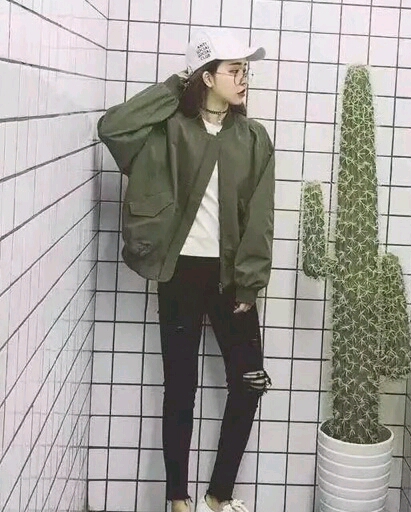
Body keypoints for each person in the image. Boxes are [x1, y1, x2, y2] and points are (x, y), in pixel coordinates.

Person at [97, 28, 275, 512]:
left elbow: (260, 217)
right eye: (234, 70)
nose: (244, 79)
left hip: (231, 277)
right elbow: (113, 128)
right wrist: (177, 84)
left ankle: (218, 496)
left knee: (248, 382)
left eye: (245, 70)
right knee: (180, 388)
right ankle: (179, 500)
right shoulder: (168, 130)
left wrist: (249, 283)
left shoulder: (253, 138)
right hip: (180, 273)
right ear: (207, 77)